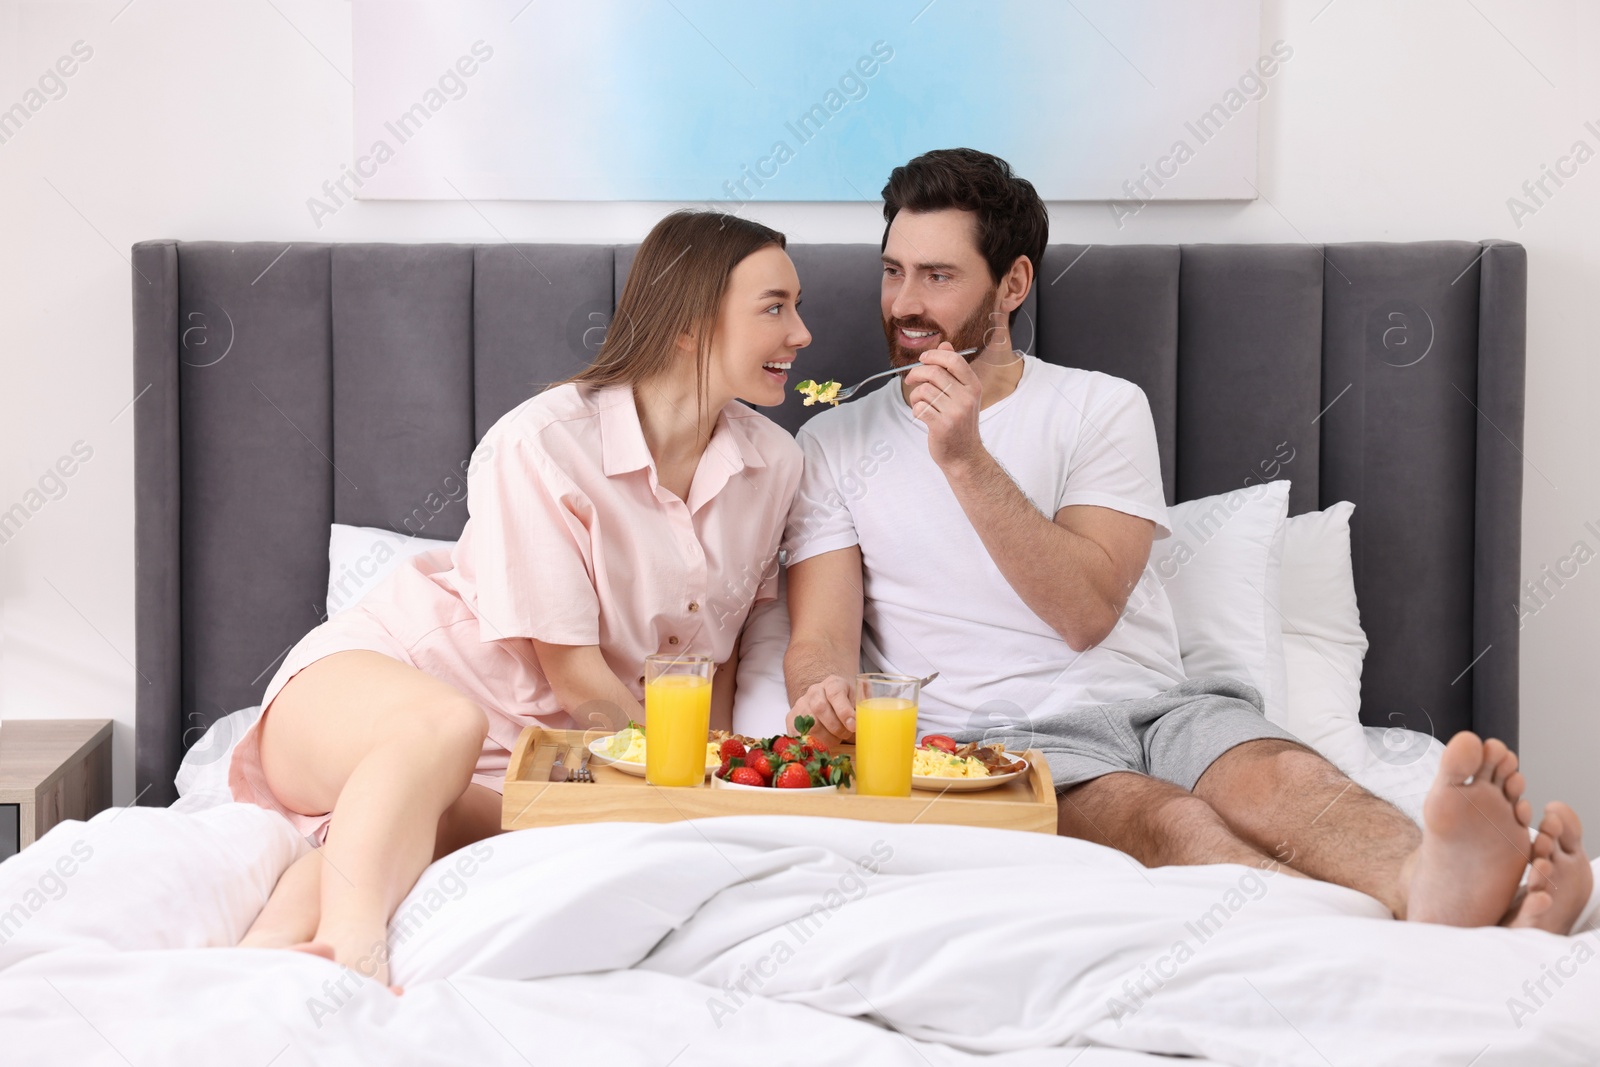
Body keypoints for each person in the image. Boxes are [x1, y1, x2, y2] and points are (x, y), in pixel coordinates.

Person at [781, 148, 1591, 933]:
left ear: (1013, 282)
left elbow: (1085, 610)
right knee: (1170, 820)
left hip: (1165, 707)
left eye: (939, 275)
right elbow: (818, 639)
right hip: (1001, 740)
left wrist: (964, 458)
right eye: (894, 271)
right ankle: (1367, 929)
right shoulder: (835, 443)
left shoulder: (1102, 408)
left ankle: (1428, 876)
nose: (904, 303)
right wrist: (822, 687)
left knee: (1286, 776)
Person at [229, 210, 811, 985]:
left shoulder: (773, 463)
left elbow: (720, 657)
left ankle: (262, 961)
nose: (802, 333)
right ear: (690, 324)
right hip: (369, 686)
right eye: (774, 307)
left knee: (431, 820)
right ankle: (356, 954)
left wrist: (720, 767)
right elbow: (575, 677)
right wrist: (687, 785)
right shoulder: (543, 442)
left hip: (537, 761)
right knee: (446, 724)